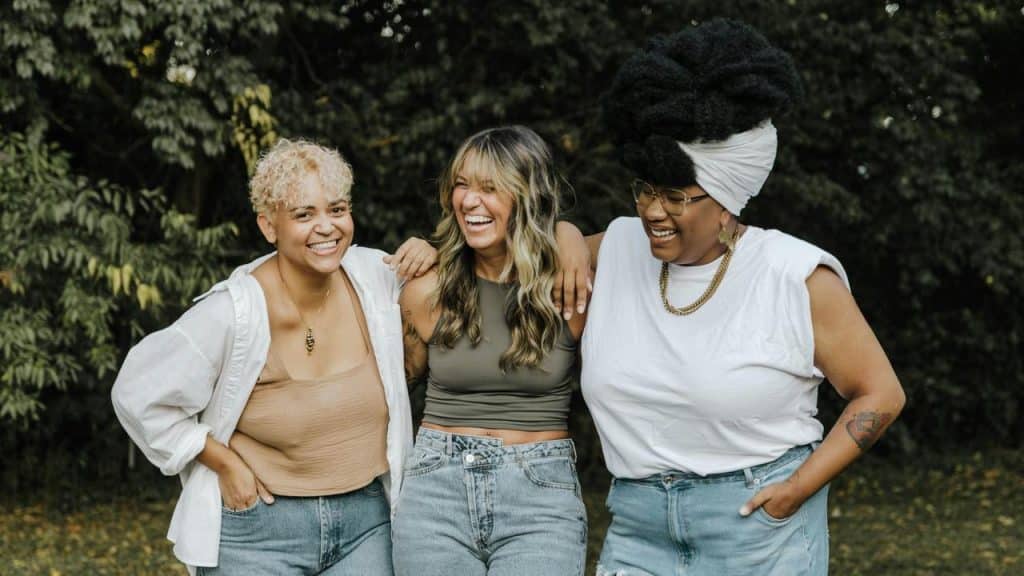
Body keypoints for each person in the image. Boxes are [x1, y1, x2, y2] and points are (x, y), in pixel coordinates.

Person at [580, 20, 906, 576]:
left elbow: (880, 394)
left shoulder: (795, 276)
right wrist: (564, 237)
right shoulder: (613, 249)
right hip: (637, 527)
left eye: (677, 196)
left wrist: (796, 491)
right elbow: (510, 255)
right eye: (645, 189)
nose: (653, 211)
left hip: (756, 527)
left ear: (728, 200)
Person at [111, 139, 437, 575]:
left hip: (367, 527)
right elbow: (138, 392)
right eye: (305, 214)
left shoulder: (378, 278)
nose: (327, 227)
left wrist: (434, 254)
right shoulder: (232, 312)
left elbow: (464, 283)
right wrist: (221, 461)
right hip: (258, 533)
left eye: (337, 210)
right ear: (269, 226)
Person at [392, 125, 589, 576]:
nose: (468, 201)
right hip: (435, 494)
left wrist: (569, 232)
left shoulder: (571, 290)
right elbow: (391, 386)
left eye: (489, 187)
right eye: (461, 185)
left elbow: (629, 242)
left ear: (528, 196)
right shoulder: (425, 291)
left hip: (540, 499)